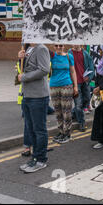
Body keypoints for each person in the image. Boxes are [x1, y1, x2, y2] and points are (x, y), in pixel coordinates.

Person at [17, 43, 51, 173]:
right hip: (27, 95)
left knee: (39, 129)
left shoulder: (41, 48)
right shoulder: (27, 48)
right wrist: (20, 58)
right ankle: (34, 158)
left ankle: (41, 159)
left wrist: (24, 77)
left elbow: (44, 70)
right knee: (30, 128)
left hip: (38, 96)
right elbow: (24, 68)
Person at [50, 44, 78, 144]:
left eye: (60, 45)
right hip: (53, 85)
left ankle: (67, 133)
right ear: (54, 47)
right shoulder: (51, 56)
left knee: (66, 111)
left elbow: (73, 71)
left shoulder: (68, 56)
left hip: (66, 85)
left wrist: (75, 86)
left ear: (63, 46)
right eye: (56, 45)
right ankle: (61, 131)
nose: (58, 47)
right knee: (57, 111)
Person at [69, 45, 95, 132]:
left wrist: (89, 77)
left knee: (87, 99)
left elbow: (91, 67)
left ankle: (73, 113)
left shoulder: (85, 54)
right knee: (78, 104)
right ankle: (81, 122)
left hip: (85, 82)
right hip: (75, 83)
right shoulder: (69, 53)